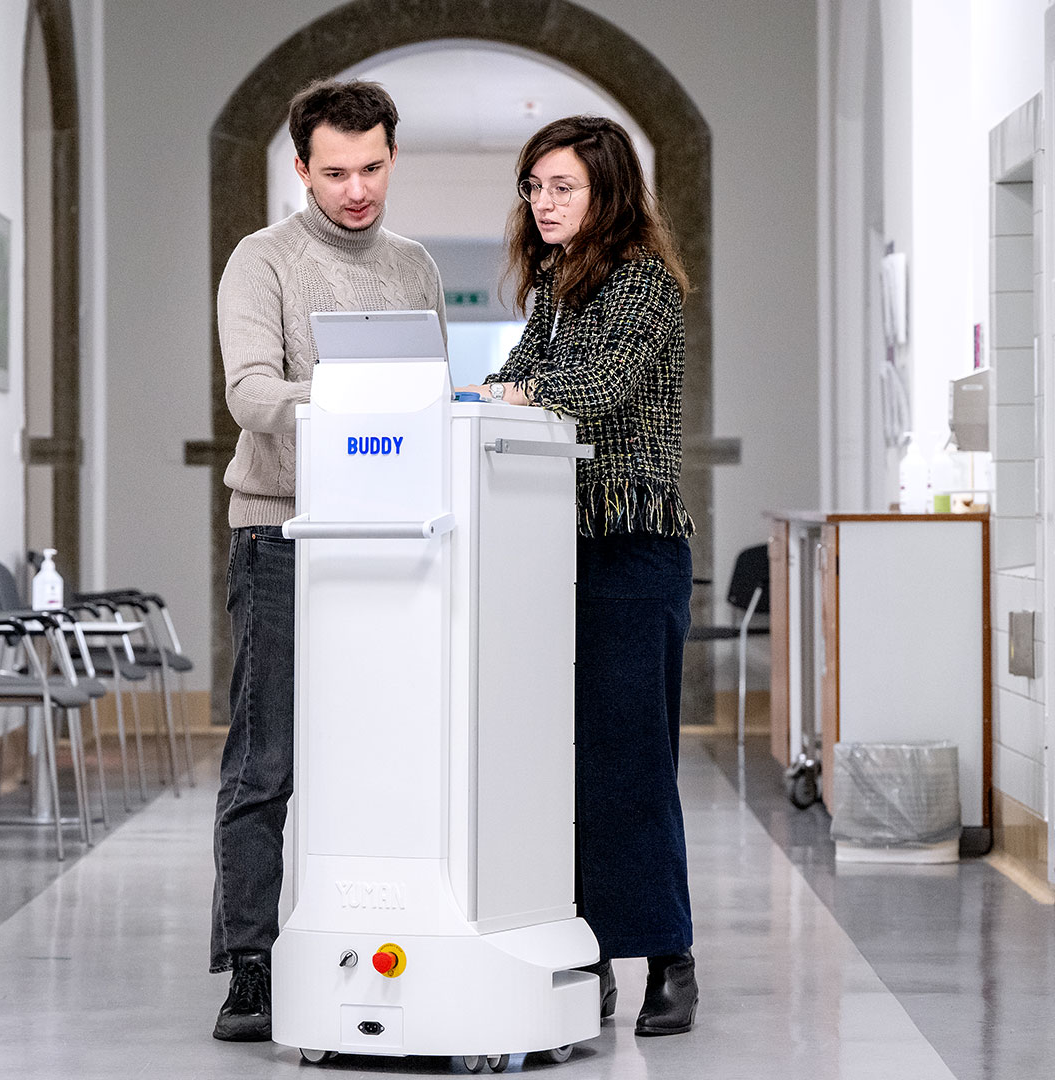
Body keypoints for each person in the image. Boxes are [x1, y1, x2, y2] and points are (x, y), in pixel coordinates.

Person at [208, 78, 445, 1043]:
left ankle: (384, 937)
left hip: (391, 536)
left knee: (392, 752)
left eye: (373, 169)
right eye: (335, 172)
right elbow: (252, 396)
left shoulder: (416, 266)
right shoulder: (260, 261)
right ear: (300, 167)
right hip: (279, 533)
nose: (356, 191)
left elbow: (425, 395)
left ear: (394, 158)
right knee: (266, 760)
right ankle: (251, 966)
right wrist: (357, 394)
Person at [457, 114, 698, 1037]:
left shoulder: (645, 283)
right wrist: (493, 390)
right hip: (551, 549)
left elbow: (602, 387)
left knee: (632, 764)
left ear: (608, 193)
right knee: (561, 771)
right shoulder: (554, 288)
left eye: (564, 187)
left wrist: (516, 393)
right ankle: (585, 951)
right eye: (534, 187)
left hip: (632, 548)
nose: (544, 203)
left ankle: (667, 959)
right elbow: (513, 373)